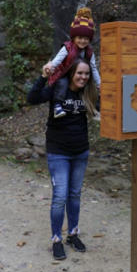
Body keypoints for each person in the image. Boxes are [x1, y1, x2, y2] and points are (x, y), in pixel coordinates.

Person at [28, 58, 99, 260]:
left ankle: (73, 234)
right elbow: (32, 98)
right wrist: (43, 77)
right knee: (60, 196)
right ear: (71, 73)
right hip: (58, 152)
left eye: (86, 74)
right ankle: (57, 239)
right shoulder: (57, 89)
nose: (83, 77)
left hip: (80, 151)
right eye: (79, 73)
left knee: (74, 195)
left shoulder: (88, 92)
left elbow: (105, 107)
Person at [42, 7, 101, 119]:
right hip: (64, 74)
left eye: (86, 39)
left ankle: (95, 107)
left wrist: (99, 83)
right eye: (80, 38)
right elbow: (58, 59)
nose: (83, 41)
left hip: (79, 75)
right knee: (62, 84)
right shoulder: (67, 48)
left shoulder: (89, 51)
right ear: (74, 37)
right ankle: (57, 106)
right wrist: (51, 67)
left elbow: (93, 67)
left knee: (90, 85)